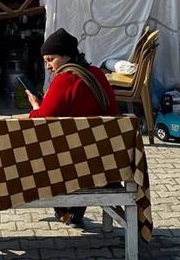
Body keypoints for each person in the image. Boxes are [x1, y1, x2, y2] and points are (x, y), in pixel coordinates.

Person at [26, 28, 119, 227]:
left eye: (51, 59)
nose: (48, 66)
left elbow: (41, 118)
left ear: (67, 56)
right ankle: (73, 213)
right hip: (106, 156)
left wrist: (35, 105)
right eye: (45, 61)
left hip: (76, 160)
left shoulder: (65, 79)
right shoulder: (97, 74)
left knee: (45, 152)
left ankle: (66, 211)